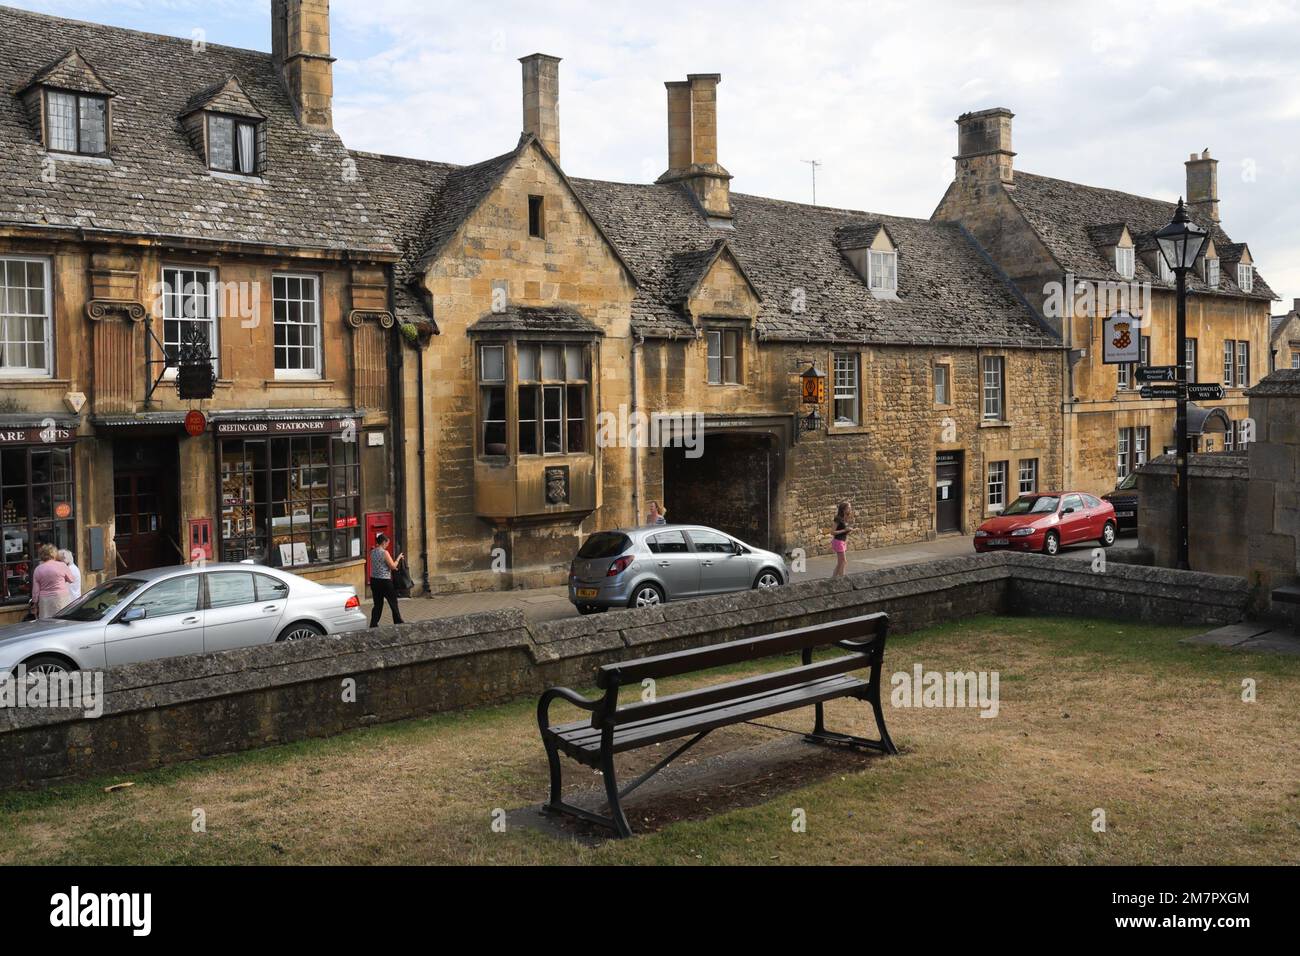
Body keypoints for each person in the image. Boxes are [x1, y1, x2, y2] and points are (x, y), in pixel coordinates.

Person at [368, 533, 405, 627]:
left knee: (378, 604)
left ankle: (373, 624)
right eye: (387, 543)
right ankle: (398, 622)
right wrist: (398, 558)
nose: (387, 545)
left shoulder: (372, 552)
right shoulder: (384, 552)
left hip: (374, 581)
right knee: (393, 602)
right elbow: (392, 566)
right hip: (384, 582)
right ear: (384, 542)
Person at [30, 544, 74, 619]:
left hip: (45, 600)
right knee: (62, 620)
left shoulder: (38, 569)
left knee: (46, 622)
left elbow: (35, 590)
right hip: (61, 598)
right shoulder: (62, 565)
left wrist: (34, 603)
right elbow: (71, 579)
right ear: (54, 554)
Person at [829, 501, 855, 578]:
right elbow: (832, 532)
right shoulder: (838, 518)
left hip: (842, 541)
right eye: (849, 507)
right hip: (838, 541)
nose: (850, 509)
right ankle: (841, 578)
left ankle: (834, 578)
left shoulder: (844, 518)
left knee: (841, 562)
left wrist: (848, 531)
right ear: (844, 509)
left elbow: (843, 532)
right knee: (843, 561)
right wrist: (845, 530)